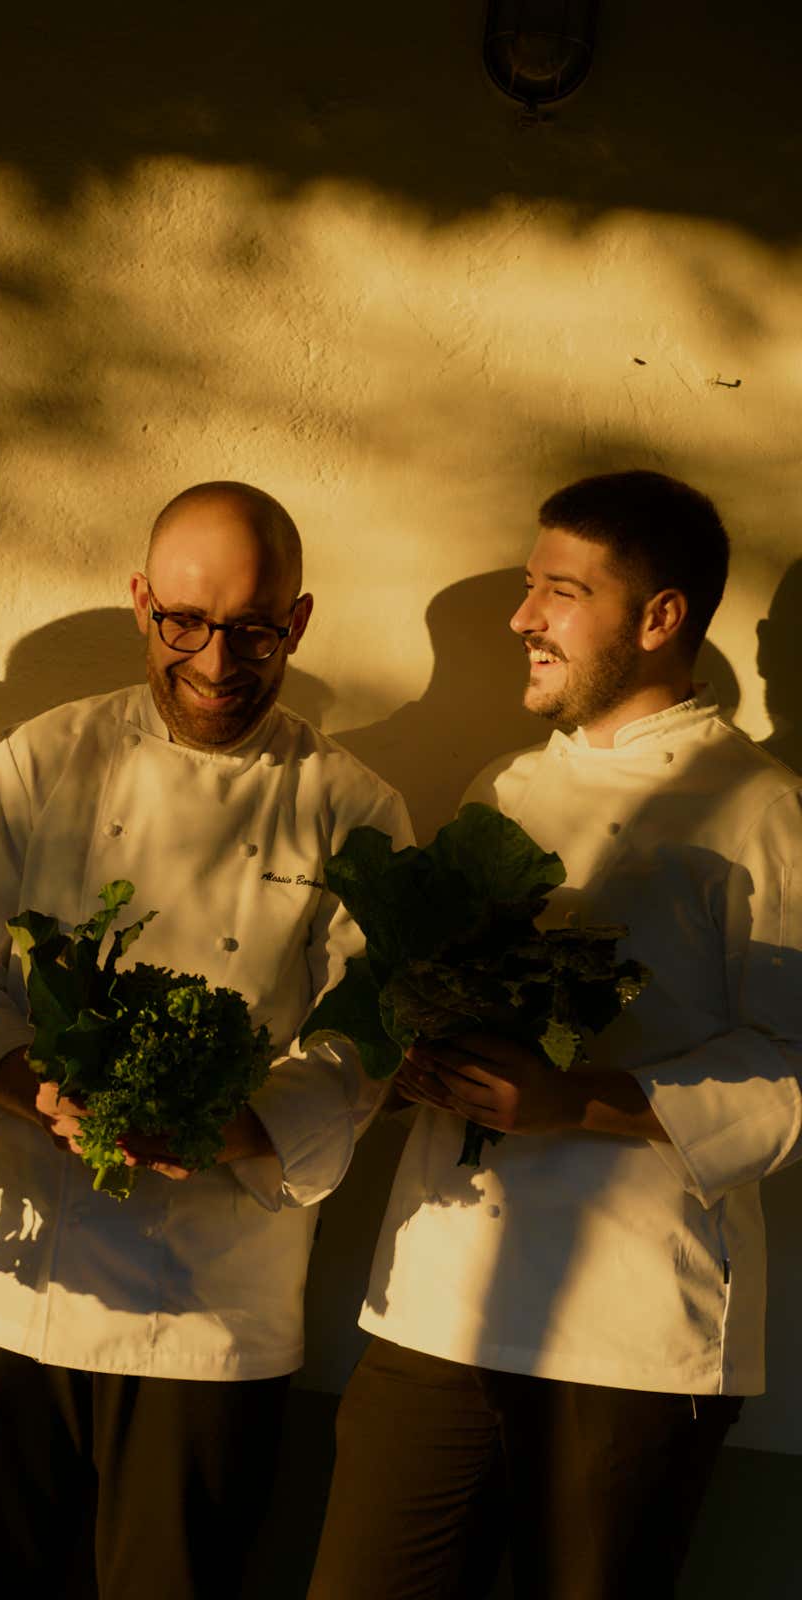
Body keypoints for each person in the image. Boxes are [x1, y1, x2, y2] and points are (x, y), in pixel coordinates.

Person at [0, 480, 413, 1600]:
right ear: (141, 602)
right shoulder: (45, 758)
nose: (219, 661)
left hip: (215, 1312)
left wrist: (244, 1122)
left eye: (254, 630)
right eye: (186, 621)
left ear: (300, 620)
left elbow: (366, 1033)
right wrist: (30, 1084)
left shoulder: (355, 807)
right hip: (11, 1290)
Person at [307, 470, 802, 1600]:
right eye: (531, 586)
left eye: (561, 592)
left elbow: (795, 1067)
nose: (523, 618)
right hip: (440, 1300)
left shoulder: (764, 810)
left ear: (659, 617)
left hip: (627, 1336)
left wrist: (570, 1101)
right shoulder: (505, 787)